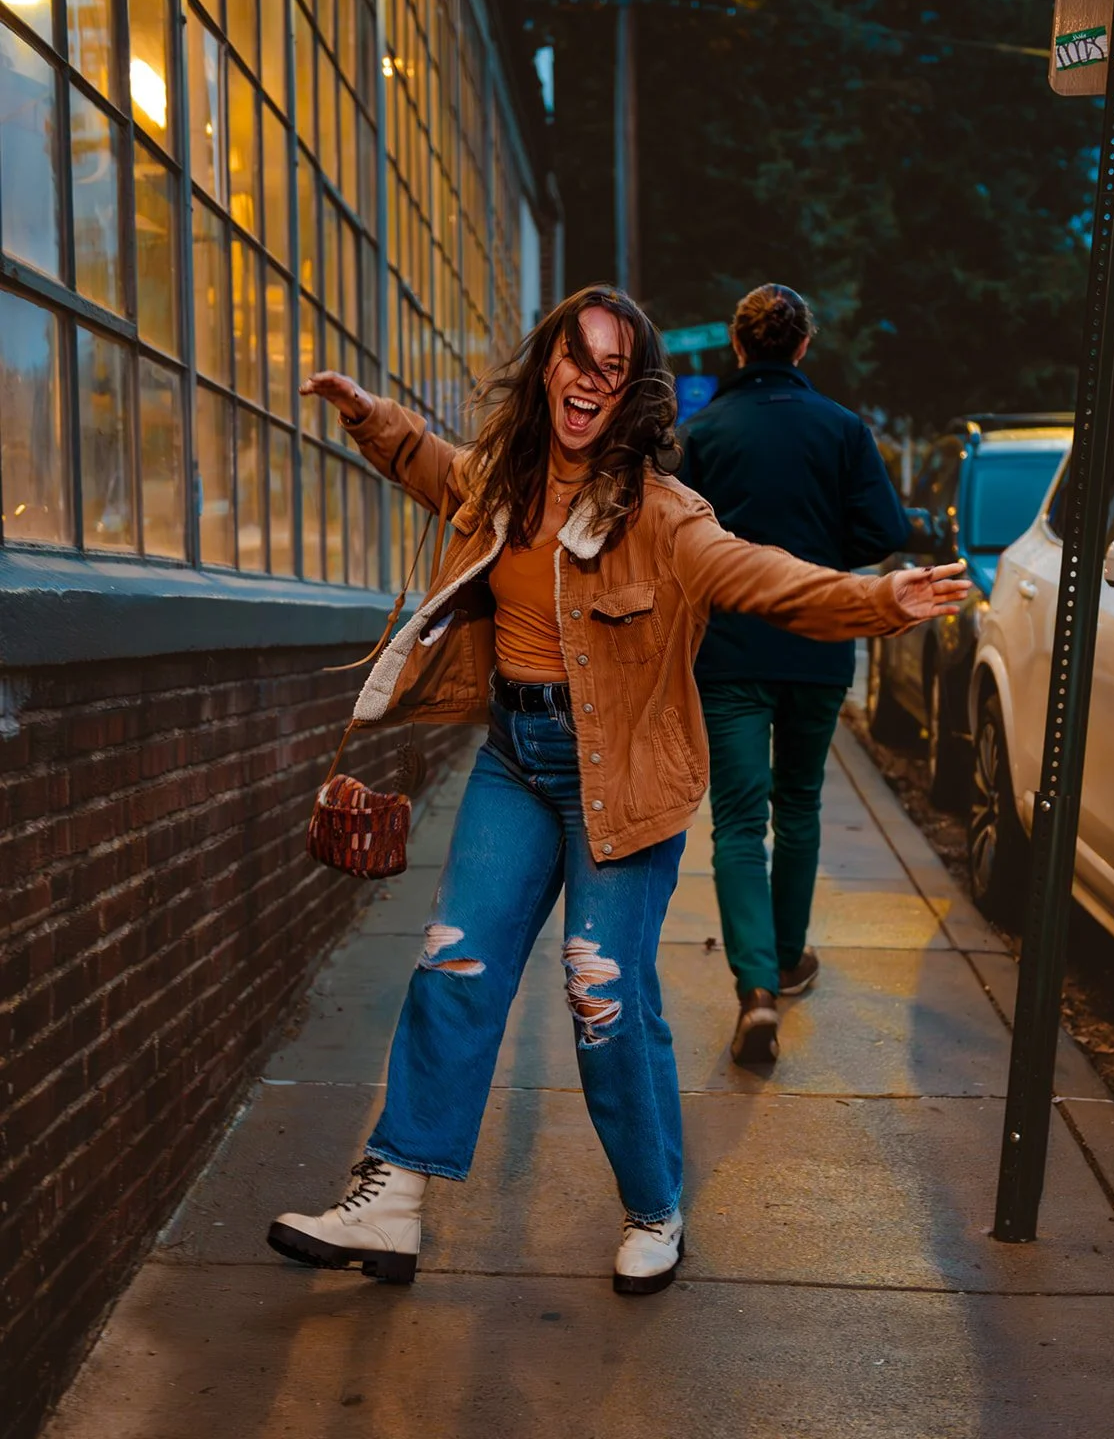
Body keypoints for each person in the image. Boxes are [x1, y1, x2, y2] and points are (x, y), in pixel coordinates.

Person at [268, 285, 964, 1296]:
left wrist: (875, 599)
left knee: (604, 996)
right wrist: (365, 413)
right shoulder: (500, 482)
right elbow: (431, 465)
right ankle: (394, 1200)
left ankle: (654, 1206)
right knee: (453, 964)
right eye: (574, 359)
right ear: (548, 363)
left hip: (623, 776)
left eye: (611, 370)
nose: (587, 384)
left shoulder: (664, 516)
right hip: (516, 755)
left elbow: (761, 576)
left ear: (630, 391)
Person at [678, 283, 910, 1066]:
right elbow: (884, 530)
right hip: (818, 648)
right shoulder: (843, 429)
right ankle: (786, 956)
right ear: (803, 346)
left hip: (731, 654)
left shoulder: (701, 432)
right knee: (800, 802)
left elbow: (674, 541)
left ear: (739, 348)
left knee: (739, 821)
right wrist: (820, 549)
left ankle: (755, 992)